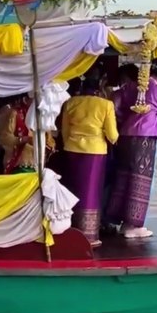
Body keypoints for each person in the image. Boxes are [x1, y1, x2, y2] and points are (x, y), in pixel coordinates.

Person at [105, 60, 157, 239]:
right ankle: (132, 225)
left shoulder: (131, 87)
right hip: (145, 137)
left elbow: (118, 109)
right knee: (140, 179)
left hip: (126, 135)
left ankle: (117, 219)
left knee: (124, 177)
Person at [59, 70, 119, 246]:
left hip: (72, 148)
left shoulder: (71, 102)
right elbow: (113, 135)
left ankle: (70, 229)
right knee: (91, 191)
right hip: (94, 151)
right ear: (100, 85)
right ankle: (88, 235)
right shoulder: (105, 105)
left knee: (73, 188)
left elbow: (65, 131)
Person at [0, 93, 55, 174]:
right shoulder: (14, 113)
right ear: (27, 99)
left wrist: (49, 147)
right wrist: (25, 139)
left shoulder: (42, 117)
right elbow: (4, 139)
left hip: (37, 167)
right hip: (18, 165)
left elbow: (50, 141)